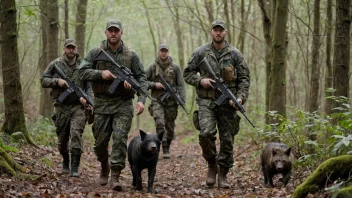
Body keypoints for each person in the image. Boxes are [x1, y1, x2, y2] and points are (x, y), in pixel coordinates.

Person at [78, 20, 148, 191]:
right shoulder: (96, 52)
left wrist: (141, 100)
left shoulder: (131, 55)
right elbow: (82, 71)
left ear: (121, 33)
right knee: (100, 142)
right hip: (101, 103)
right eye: (110, 31)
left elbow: (142, 79)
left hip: (123, 104)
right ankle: (104, 165)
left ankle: (115, 175)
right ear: (106, 33)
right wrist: (101, 74)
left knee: (119, 137)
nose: (113, 33)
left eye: (116, 31)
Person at [183, 20, 250, 188]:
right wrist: (200, 80)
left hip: (228, 104)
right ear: (211, 32)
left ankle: (223, 174)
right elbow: (187, 73)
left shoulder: (235, 54)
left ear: (225, 32)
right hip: (207, 102)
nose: (218, 33)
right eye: (215, 30)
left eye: (221, 30)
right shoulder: (200, 53)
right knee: (206, 133)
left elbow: (244, 79)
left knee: (227, 140)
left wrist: (240, 98)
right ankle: (212, 164)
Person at [40, 38, 93, 177]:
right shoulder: (56, 64)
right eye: (68, 47)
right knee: (62, 139)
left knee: (76, 134)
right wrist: (58, 81)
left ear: (76, 49)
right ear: (64, 49)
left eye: (73, 48)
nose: (71, 50)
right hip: (61, 106)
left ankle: (74, 167)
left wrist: (87, 100)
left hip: (78, 107)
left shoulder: (83, 65)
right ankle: (65, 162)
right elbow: (43, 80)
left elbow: (89, 87)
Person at [145, 44, 186, 159]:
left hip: (171, 103)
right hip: (157, 100)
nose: (163, 53)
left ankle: (167, 144)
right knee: (160, 123)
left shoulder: (175, 68)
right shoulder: (152, 67)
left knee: (170, 128)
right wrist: (154, 85)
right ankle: (162, 147)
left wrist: (182, 100)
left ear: (168, 52)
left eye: (165, 51)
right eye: (161, 51)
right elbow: (142, 81)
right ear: (158, 52)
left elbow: (181, 85)